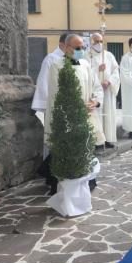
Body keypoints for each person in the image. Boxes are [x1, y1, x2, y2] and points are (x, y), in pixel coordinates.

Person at [44, 34, 104, 193]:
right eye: (77, 48)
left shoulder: (85, 65)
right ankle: (62, 185)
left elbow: (96, 87)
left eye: (82, 47)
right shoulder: (57, 66)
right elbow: (56, 94)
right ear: (66, 47)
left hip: (86, 116)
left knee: (86, 148)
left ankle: (87, 181)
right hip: (67, 117)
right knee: (66, 151)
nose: (80, 50)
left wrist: (96, 102)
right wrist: (72, 110)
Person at [31, 33, 68, 159]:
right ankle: (51, 168)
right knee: (53, 137)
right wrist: (48, 105)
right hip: (54, 105)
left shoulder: (73, 59)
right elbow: (43, 82)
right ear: (61, 44)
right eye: (70, 46)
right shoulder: (51, 59)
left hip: (69, 105)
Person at [84, 33, 120, 149]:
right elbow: (84, 72)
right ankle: (97, 141)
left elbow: (116, 71)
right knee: (97, 116)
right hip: (94, 91)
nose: (99, 44)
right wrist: (97, 69)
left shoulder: (109, 55)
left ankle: (108, 139)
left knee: (108, 115)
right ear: (91, 42)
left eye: (100, 41)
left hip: (107, 90)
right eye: (96, 41)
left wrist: (109, 81)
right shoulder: (86, 56)